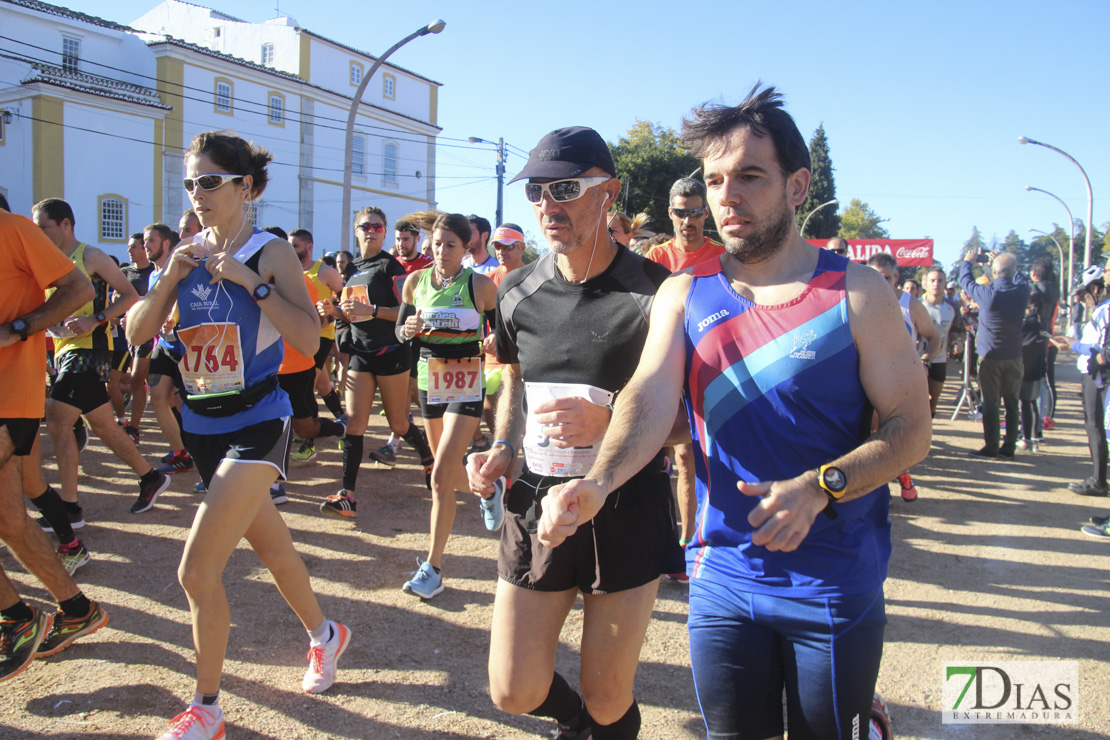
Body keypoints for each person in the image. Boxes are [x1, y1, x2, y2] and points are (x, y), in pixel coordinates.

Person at [534, 87, 930, 740]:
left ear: (797, 186)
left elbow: (911, 430)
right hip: (723, 579)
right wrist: (598, 481)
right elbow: (649, 397)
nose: (727, 196)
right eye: (716, 180)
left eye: (750, 175)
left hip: (833, 586)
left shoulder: (858, 293)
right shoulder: (686, 293)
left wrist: (822, 486)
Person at [127, 131, 350, 740]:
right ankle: (326, 636)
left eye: (209, 181)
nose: (197, 194)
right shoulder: (185, 252)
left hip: (257, 420)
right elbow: (134, 334)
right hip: (202, 424)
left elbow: (307, 340)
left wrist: (248, 281)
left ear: (243, 187)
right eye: (190, 182)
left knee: (196, 572)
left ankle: (207, 708)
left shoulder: (269, 251)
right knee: (274, 550)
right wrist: (170, 277)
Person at [466, 126, 685, 740]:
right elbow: (514, 382)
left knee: (610, 699)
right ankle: (573, 722)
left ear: (607, 193)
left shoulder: (655, 291)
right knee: (513, 689)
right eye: (536, 191)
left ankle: (603, 726)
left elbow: (690, 416)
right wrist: (502, 446)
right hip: (536, 496)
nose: (546, 206)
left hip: (626, 503)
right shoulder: (516, 291)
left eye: (564, 188)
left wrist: (613, 421)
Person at [0, 202, 110, 685]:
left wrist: (20, 328)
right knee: (9, 519)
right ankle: (76, 608)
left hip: (11, 393)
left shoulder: (12, 229)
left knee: (79, 426)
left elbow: (81, 288)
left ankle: (16, 619)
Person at [31, 199, 171, 517]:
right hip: (64, 349)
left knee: (57, 417)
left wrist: (96, 320)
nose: (39, 233)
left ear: (65, 224)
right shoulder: (47, 261)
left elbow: (130, 294)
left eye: (44, 227)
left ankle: (69, 508)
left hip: (91, 349)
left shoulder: (90, 256)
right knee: (104, 426)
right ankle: (150, 477)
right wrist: (52, 327)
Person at [396, 211, 498, 598]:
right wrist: (405, 330)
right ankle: (488, 490)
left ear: (466, 247)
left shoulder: (482, 286)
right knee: (448, 472)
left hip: (466, 379)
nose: (441, 252)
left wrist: (494, 341)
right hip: (429, 380)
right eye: (436, 244)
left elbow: (504, 330)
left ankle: (433, 568)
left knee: (438, 479)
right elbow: (400, 329)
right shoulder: (415, 283)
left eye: (450, 246)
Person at [320, 206, 434, 518]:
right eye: (365, 225)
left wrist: (370, 311)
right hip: (360, 353)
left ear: (384, 232)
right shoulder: (352, 267)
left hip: (391, 352)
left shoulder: (390, 266)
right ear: (355, 230)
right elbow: (350, 311)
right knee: (355, 424)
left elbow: (406, 312)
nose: (371, 230)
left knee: (398, 423)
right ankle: (347, 496)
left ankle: (428, 459)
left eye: (378, 227)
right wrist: (334, 311)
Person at [645, 177, 727, 577]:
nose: (688, 221)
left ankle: (689, 542)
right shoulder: (656, 257)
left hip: (704, 365)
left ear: (705, 212)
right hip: (664, 363)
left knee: (688, 456)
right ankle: (658, 539)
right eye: (680, 212)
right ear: (671, 213)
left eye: (696, 212)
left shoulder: (723, 255)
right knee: (649, 450)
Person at [868, 252, 938, 501]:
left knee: (898, 432)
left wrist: (926, 359)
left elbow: (934, 337)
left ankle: (903, 476)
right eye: (875, 277)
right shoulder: (860, 301)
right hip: (868, 377)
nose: (881, 283)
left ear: (896, 276)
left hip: (901, 378)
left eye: (886, 278)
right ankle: (879, 487)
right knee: (872, 433)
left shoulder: (911, 305)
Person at [367, 218, 434, 465]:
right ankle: (396, 446)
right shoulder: (391, 265)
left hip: (423, 338)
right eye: (397, 239)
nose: (401, 244)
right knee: (409, 391)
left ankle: (400, 445)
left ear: (416, 239)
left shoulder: (429, 265)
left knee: (413, 391)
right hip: (398, 336)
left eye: (406, 239)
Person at [959, 249, 1030, 458]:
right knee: (1012, 403)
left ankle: (991, 446)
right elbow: (1020, 277)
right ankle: (1009, 446)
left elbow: (966, 282)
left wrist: (967, 262)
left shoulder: (988, 294)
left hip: (990, 356)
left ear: (995, 273)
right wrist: (999, 260)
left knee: (990, 404)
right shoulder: (1022, 292)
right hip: (1014, 356)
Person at [1050, 264, 1110, 496]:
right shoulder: (1100, 310)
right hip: (1094, 375)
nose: (1083, 302)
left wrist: (1072, 345)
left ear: (1095, 289)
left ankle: (1099, 481)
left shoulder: (1104, 310)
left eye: (1084, 296)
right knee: (1094, 427)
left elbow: (1099, 348)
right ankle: (1098, 478)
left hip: (1100, 378)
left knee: (1097, 428)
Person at [290, 228, 346, 463]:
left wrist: (330, 316)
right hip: (298, 337)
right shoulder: (288, 271)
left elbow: (346, 299)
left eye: (296, 245)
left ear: (309, 247)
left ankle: (308, 443)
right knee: (323, 384)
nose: (291, 249)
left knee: (308, 385)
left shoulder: (324, 272)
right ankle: (344, 422)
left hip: (322, 336)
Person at [119, 232, 157, 438]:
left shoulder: (155, 271)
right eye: (129, 247)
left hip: (149, 332)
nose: (129, 251)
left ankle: (134, 427)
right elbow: (118, 300)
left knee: (136, 380)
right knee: (136, 381)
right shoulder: (124, 272)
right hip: (128, 332)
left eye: (134, 247)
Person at [921, 266, 959, 417]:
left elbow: (958, 330)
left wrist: (957, 341)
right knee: (918, 397)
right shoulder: (916, 304)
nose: (936, 284)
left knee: (933, 398)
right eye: (932, 280)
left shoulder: (952, 307)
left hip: (940, 358)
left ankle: (929, 424)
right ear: (926, 284)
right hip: (918, 358)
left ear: (945, 283)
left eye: (940, 280)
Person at [1031, 257, 1060, 432]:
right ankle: (1045, 418)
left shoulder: (1035, 291)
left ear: (1034, 273)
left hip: (1038, 338)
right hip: (1049, 338)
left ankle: (1038, 422)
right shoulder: (1055, 290)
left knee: (1038, 383)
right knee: (1047, 382)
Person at [1019, 292, 1048, 452]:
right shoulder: (1042, 322)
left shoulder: (1027, 323)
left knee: (1025, 403)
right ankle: (1036, 435)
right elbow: (1046, 339)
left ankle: (1027, 439)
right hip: (1038, 367)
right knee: (1033, 402)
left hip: (1026, 367)